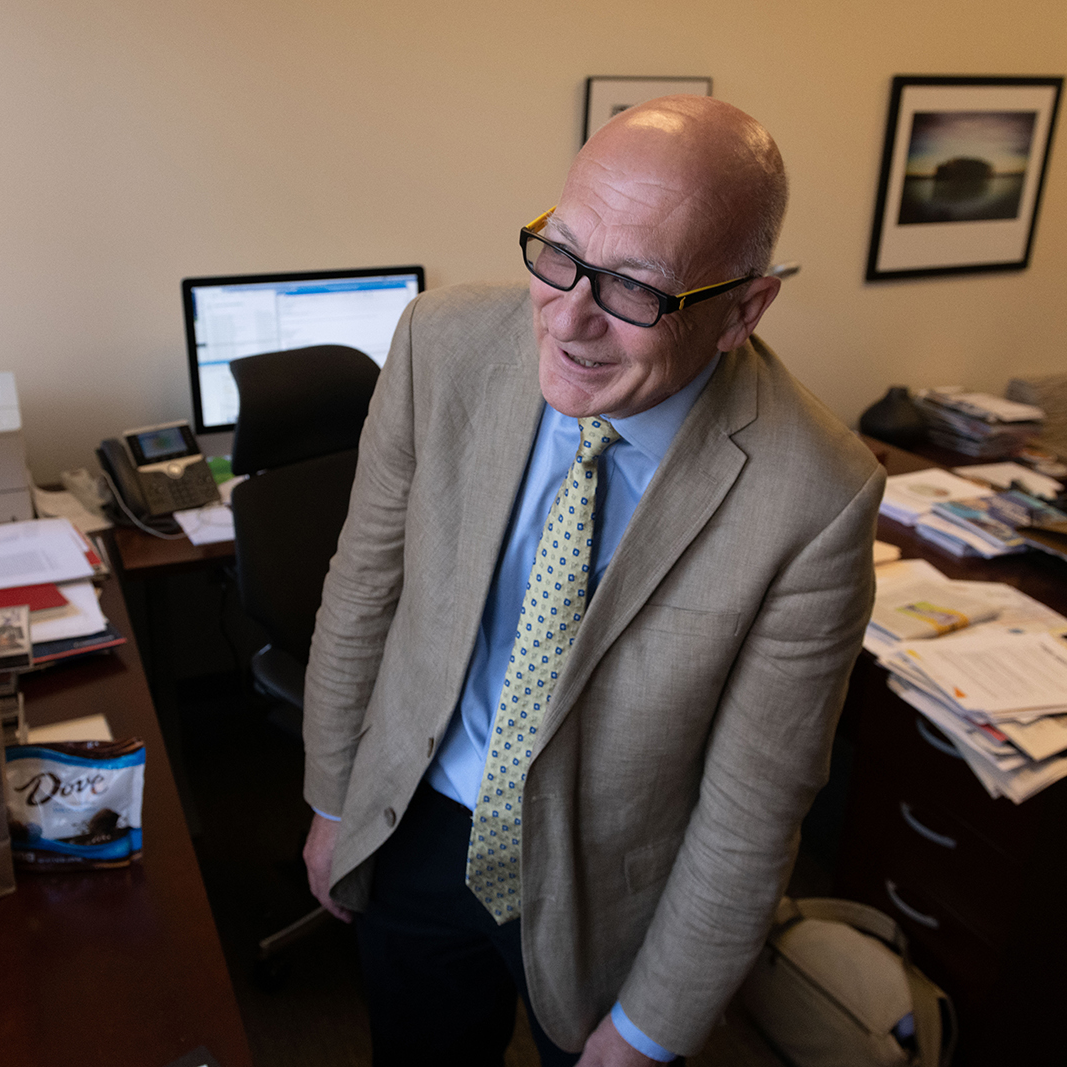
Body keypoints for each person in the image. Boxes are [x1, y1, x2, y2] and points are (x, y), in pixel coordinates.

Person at [300, 95, 883, 1066]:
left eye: (634, 290)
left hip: (608, 882)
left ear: (743, 308)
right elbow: (364, 583)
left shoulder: (815, 494)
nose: (569, 319)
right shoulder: (440, 345)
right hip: (414, 817)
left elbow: (755, 801)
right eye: (559, 253)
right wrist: (330, 804)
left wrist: (651, 1026)